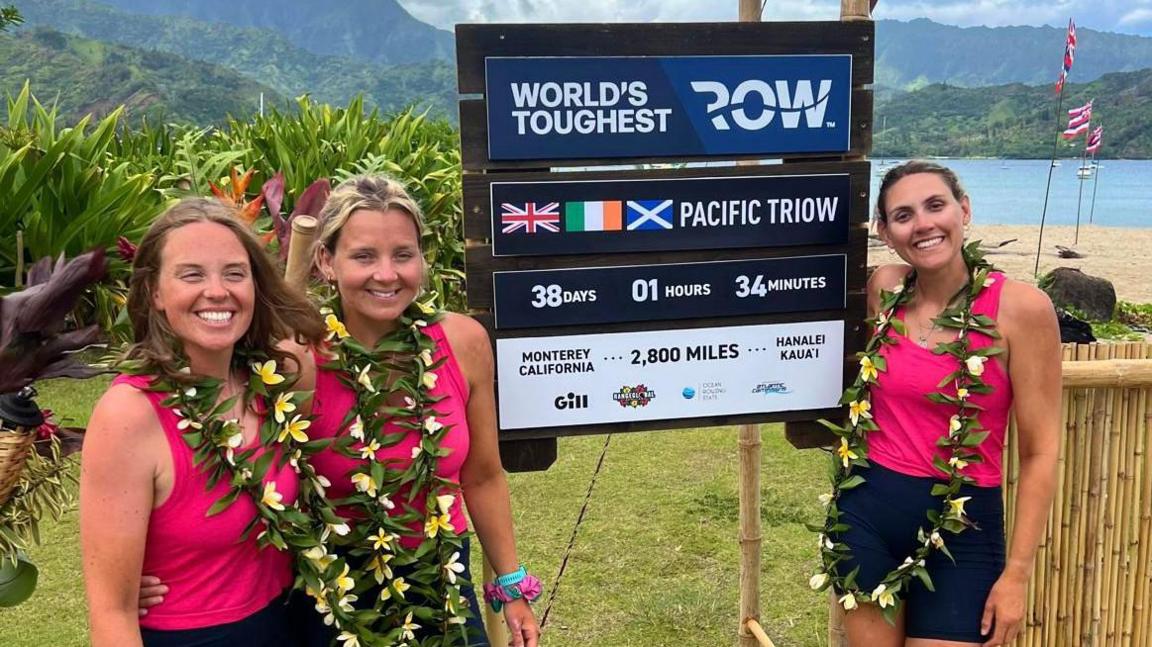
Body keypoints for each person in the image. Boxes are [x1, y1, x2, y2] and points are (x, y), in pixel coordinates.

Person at [298, 175, 540, 646]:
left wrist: (512, 587)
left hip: (441, 576)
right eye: (364, 256)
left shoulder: (462, 342)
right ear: (326, 261)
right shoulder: (297, 357)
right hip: (331, 592)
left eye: (403, 255)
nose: (387, 274)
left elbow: (482, 475)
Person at [826, 161, 1061, 647]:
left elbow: (1040, 452)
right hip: (867, 512)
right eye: (904, 215)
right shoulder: (886, 289)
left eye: (936, 205)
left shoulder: (1021, 309)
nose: (924, 224)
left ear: (964, 209)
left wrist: (1016, 575)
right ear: (886, 232)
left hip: (964, 526)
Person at [81, 198, 324, 646]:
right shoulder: (130, 416)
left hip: (289, 626)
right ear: (155, 292)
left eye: (234, 273)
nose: (217, 291)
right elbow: (112, 615)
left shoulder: (273, 383)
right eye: (191, 274)